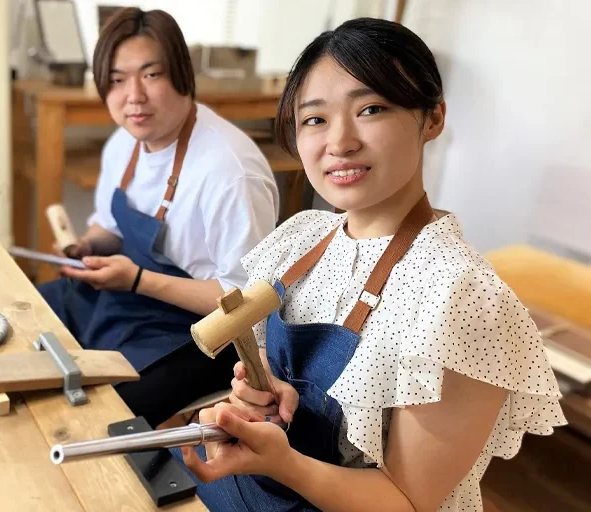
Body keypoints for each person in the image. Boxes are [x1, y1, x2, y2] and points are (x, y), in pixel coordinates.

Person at [174, 17, 567, 511]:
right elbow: (280, 391)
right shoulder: (300, 240)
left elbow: (409, 502)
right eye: (314, 119)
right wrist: (264, 400)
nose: (339, 141)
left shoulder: (462, 298)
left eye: (371, 109)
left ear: (432, 118)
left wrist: (284, 464)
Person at [37, 7, 280, 428]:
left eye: (150, 75)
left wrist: (136, 280)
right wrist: (87, 246)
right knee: (29, 320)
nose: (133, 96)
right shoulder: (125, 142)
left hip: (205, 334)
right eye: (116, 79)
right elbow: (111, 227)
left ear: (182, 75)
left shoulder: (229, 170)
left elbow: (246, 303)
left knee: (100, 410)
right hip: (134, 296)